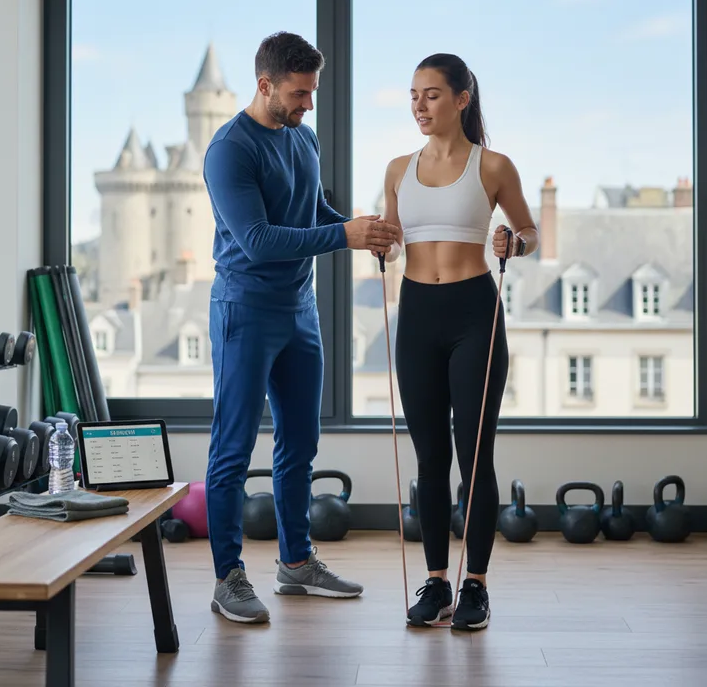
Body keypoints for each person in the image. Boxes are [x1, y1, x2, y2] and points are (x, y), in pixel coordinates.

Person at [202, 31, 400, 624]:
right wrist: (346, 235)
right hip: (245, 308)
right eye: (299, 93)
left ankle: (296, 564)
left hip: (300, 311)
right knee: (233, 449)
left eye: (312, 92)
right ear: (265, 85)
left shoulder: (302, 137)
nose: (308, 105)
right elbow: (259, 242)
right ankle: (227, 577)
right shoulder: (228, 151)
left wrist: (362, 227)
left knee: (301, 443)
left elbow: (314, 212)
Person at [376, 53, 539, 631]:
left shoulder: (492, 166)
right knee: (429, 459)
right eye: (414, 95)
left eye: (433, 94)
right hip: (417, 314)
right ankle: (437, 582)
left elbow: (529, 232)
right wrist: (381, 241)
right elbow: (394, 243)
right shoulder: (398, 168)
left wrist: (511, 244)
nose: (420, 105)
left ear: (463, 98)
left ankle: (476, 586)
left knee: (474, 456)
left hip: (475, 314)